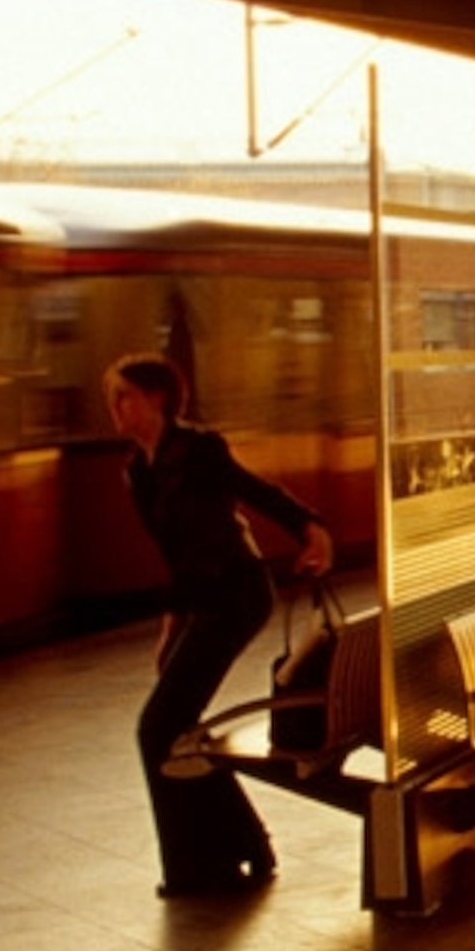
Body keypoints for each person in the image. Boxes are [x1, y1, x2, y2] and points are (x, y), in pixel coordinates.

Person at [106, 352, 335, 897]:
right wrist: (171, 626)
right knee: (174, 727)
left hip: (237, 592)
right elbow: (174, 554)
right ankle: (242, 847)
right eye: (111, 398)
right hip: (201, 600)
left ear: (156, 399)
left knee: (157, 728)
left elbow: (254, 491)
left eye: (124, 396)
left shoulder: (198, 450)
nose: (115, 408)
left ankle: (196, 866)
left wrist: (309, 529)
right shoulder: (138, 471)